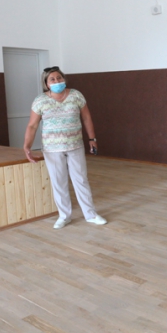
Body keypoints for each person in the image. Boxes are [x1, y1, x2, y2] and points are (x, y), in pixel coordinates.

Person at [23, 66, 107, 229]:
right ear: (46, 84)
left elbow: (86, 117)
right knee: (58, 182)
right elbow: (32, 125)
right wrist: (27, 146)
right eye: (52, 79)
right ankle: (64, 216)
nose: (57, 81)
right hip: (52, 149)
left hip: (75, 145)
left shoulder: (76, 95)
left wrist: (92, 138)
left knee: (81, 180)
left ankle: (90, 215)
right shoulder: (40, 100)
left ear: (64, 79)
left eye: (59, 78)